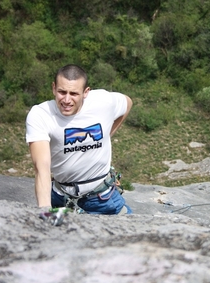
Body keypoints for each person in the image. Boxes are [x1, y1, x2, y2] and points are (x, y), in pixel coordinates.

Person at [26, 64, 133, 215]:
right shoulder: (41, 115)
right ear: (53, 88)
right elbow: (41, 167)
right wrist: (46, 212)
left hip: (102, 197)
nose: (67, 100)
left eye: (74, 94)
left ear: (86, 92)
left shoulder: (103, 102)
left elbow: (127, 103)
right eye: (62, 92)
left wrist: (106, 136)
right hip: (61, 196)